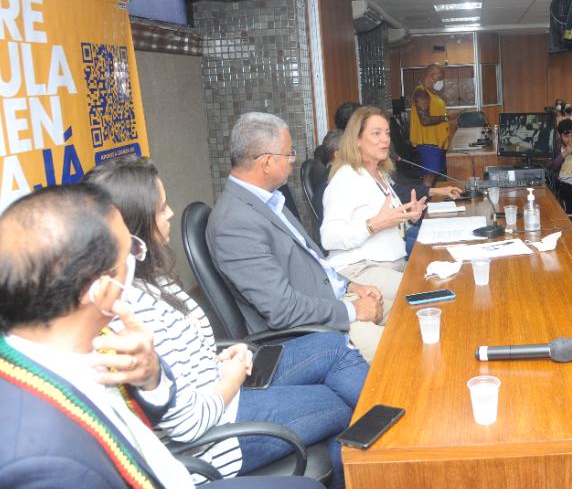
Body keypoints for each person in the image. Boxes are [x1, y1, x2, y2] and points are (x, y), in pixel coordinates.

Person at [0, 185, 322, 489]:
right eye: (129, 252)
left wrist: (152, 376)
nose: (136, 259)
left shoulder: (76, 344)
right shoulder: (44, 461)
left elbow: (150, 414)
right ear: (99, 290)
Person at [84, 158, 367, 488]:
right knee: (342, 404)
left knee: (335, 346)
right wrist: (231, 378)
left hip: (223, 384)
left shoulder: (151, 278)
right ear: (133, 225)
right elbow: (188, 423)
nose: (170, 213)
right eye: (161, 209)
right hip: (219, 437)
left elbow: (184, 362)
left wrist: (224, 357)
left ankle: (389, 450)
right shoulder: (128, 311)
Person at [207, 112, 387, 362]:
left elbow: (312, 260)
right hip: (314, 331)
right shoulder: (234, 223)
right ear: (266, 162)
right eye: (289, 154)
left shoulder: (269, 199)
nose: (293, 161)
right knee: (406, 350)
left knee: (413, 311)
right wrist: (353, 310)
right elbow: (282, 310)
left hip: (331, 300)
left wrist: (350, 285)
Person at [321, 106, 427, 306]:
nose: (385, 139)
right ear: (357, 140)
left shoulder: (379, 174)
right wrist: (373, 225)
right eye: (376, 133)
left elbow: (389, 226)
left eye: (387, 133)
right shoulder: (346, 178)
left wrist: (409, 218)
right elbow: (329, 238)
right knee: (424, 293)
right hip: (359, 271)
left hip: (390, 265)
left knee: (439, 281)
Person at [410, 64, 456, 187]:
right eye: (440, 78)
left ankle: (430, 197)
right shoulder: (421, 92)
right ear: (432, 75)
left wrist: (447, 115)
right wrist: (446, 117)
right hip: (428, 143)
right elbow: (425, 120)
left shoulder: (433, 93)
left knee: (434, 174)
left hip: (437, 142)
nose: (441, 81)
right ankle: (424, 198)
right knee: (429, 176)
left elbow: (435, 113)